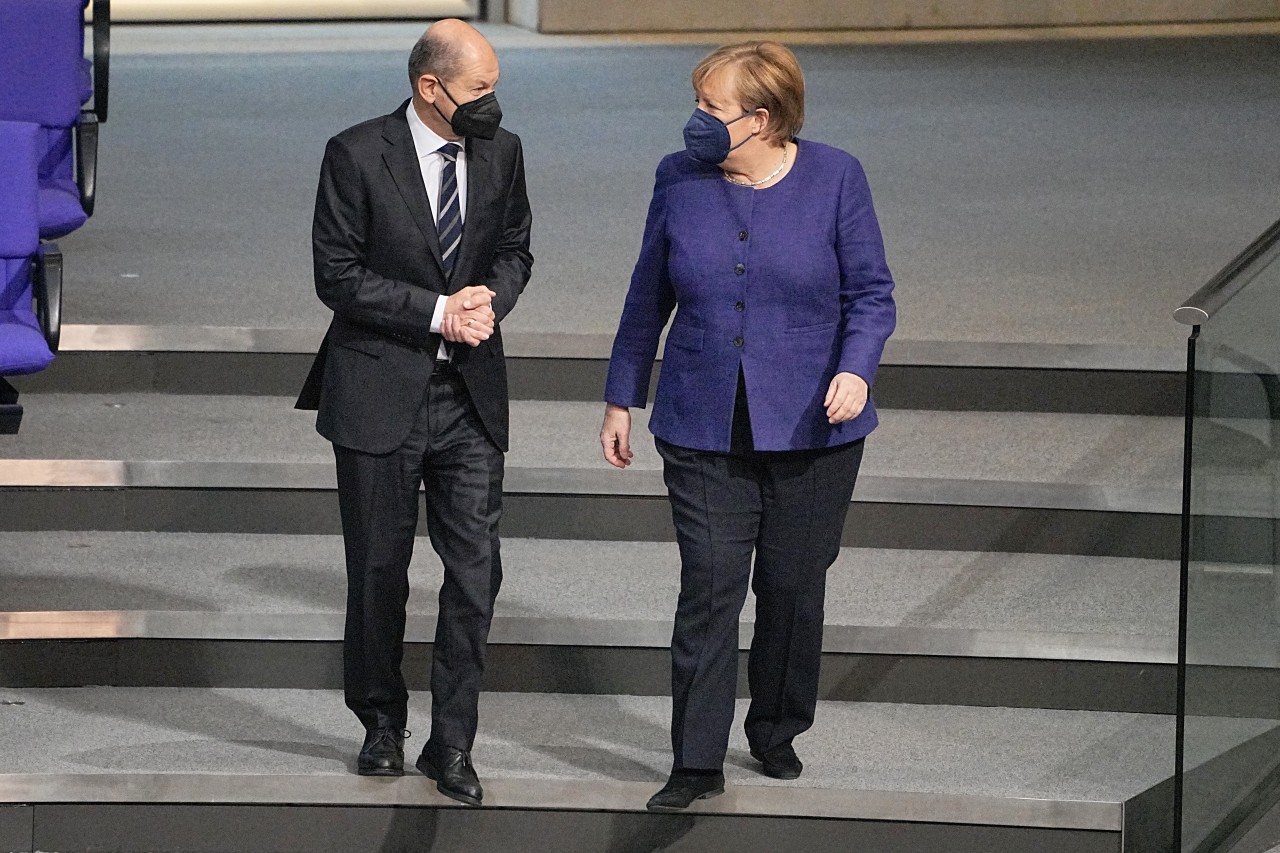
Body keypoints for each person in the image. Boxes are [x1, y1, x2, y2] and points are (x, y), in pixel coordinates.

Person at [600, 40, 896, 811]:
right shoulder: (678, 179)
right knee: (709, 588)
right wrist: (619, 396)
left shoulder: (837, 177)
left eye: (711, 109)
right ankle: (695, 761)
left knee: (793, 588)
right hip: (701, 423)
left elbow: (872, 294)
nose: (695, 122)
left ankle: (775, 726)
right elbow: (646, 296)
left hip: (813, 427)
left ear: (760, 119)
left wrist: (855, 367)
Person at [295, 18, 533, 807]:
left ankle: (453, 740)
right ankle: (381, 722)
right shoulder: (357, 153)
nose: (492, 105)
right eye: (479, 90)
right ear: (430, 89)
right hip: (379, 392)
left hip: (468, 395)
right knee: (377, 572)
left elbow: (515, 247)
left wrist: (490, 301)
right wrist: (438, 311)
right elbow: (337, 275)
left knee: (475, 575)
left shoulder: (502, 152)